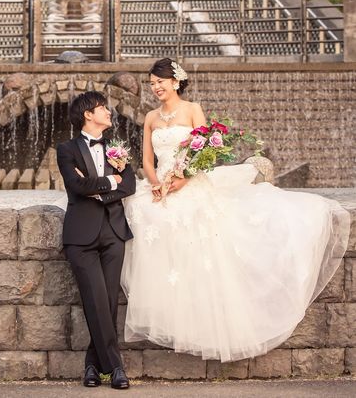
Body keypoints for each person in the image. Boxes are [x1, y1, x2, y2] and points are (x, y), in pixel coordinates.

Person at [121, 58, 350, 363]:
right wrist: (156, 184)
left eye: (159, 82)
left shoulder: (193, 109)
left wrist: (182, 179)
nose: (155, 88)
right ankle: (169, 309)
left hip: (190, 183)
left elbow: (204, 152)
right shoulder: (151, 117)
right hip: (160, 184)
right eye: (151, 83)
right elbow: (147, 160)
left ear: (175, 81)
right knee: (143, 215)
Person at [57, 91, 136, 389]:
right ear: (88, 114)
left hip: (113, 233)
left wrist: (100, 190)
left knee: (107, 302)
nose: (108, 111)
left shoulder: (116, 147)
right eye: (102, 108)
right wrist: (111, 181)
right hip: (81, 237)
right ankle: (115, 368)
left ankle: (92, 365)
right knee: (96, 300)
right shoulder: (66, 149)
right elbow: (76, 186)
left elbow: (130, 184)